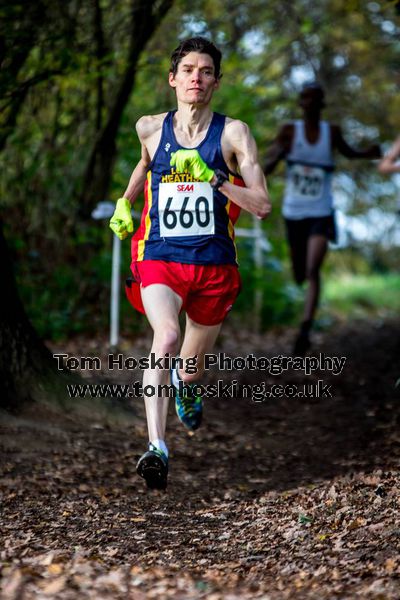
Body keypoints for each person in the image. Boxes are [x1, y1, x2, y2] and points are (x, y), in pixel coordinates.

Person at [109, 37, 270, 490]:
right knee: (167, 334)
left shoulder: (234, 133)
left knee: (190, 364)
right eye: (187, 70)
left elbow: (261, 205)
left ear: (216, 82)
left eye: (205, 71)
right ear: (173, 79)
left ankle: (188, 381)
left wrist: (216, 178)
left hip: (215, 263)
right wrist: (125, 202)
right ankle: (156, 447)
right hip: (161, 255)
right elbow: (145, 164)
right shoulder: (149, 127)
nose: (195, 78)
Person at [264, 82, 381, 355]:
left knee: (313, 268)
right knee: (299, 274)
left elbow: (350, 152)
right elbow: (267, 164)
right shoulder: (290, 132)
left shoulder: (333, 132)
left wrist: (370, 153)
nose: (311, 103)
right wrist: (274, 159)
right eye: (306, 98)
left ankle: (305, 328)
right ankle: (302, 297)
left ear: (322, 103)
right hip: (294, 212)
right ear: (300, 103)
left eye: (316, 98)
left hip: (321, 211)